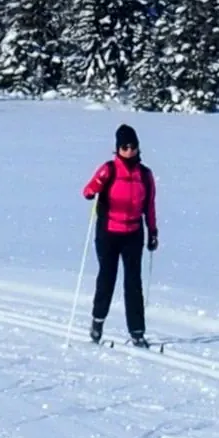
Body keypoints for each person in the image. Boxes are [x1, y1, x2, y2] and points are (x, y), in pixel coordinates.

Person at [80, 123, 157, 347]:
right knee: (107, 278)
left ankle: (137, 331)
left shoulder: (145, 174)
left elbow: (150, 205)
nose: (129, 150)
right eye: (124, 146)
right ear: (117, 148)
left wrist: (152, 231)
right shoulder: (109, 169)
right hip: (109, 233)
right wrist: (94, 189)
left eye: (133, 146)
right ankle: (97, 323)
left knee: (133, 283)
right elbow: (87, 191)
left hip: (133, 233)